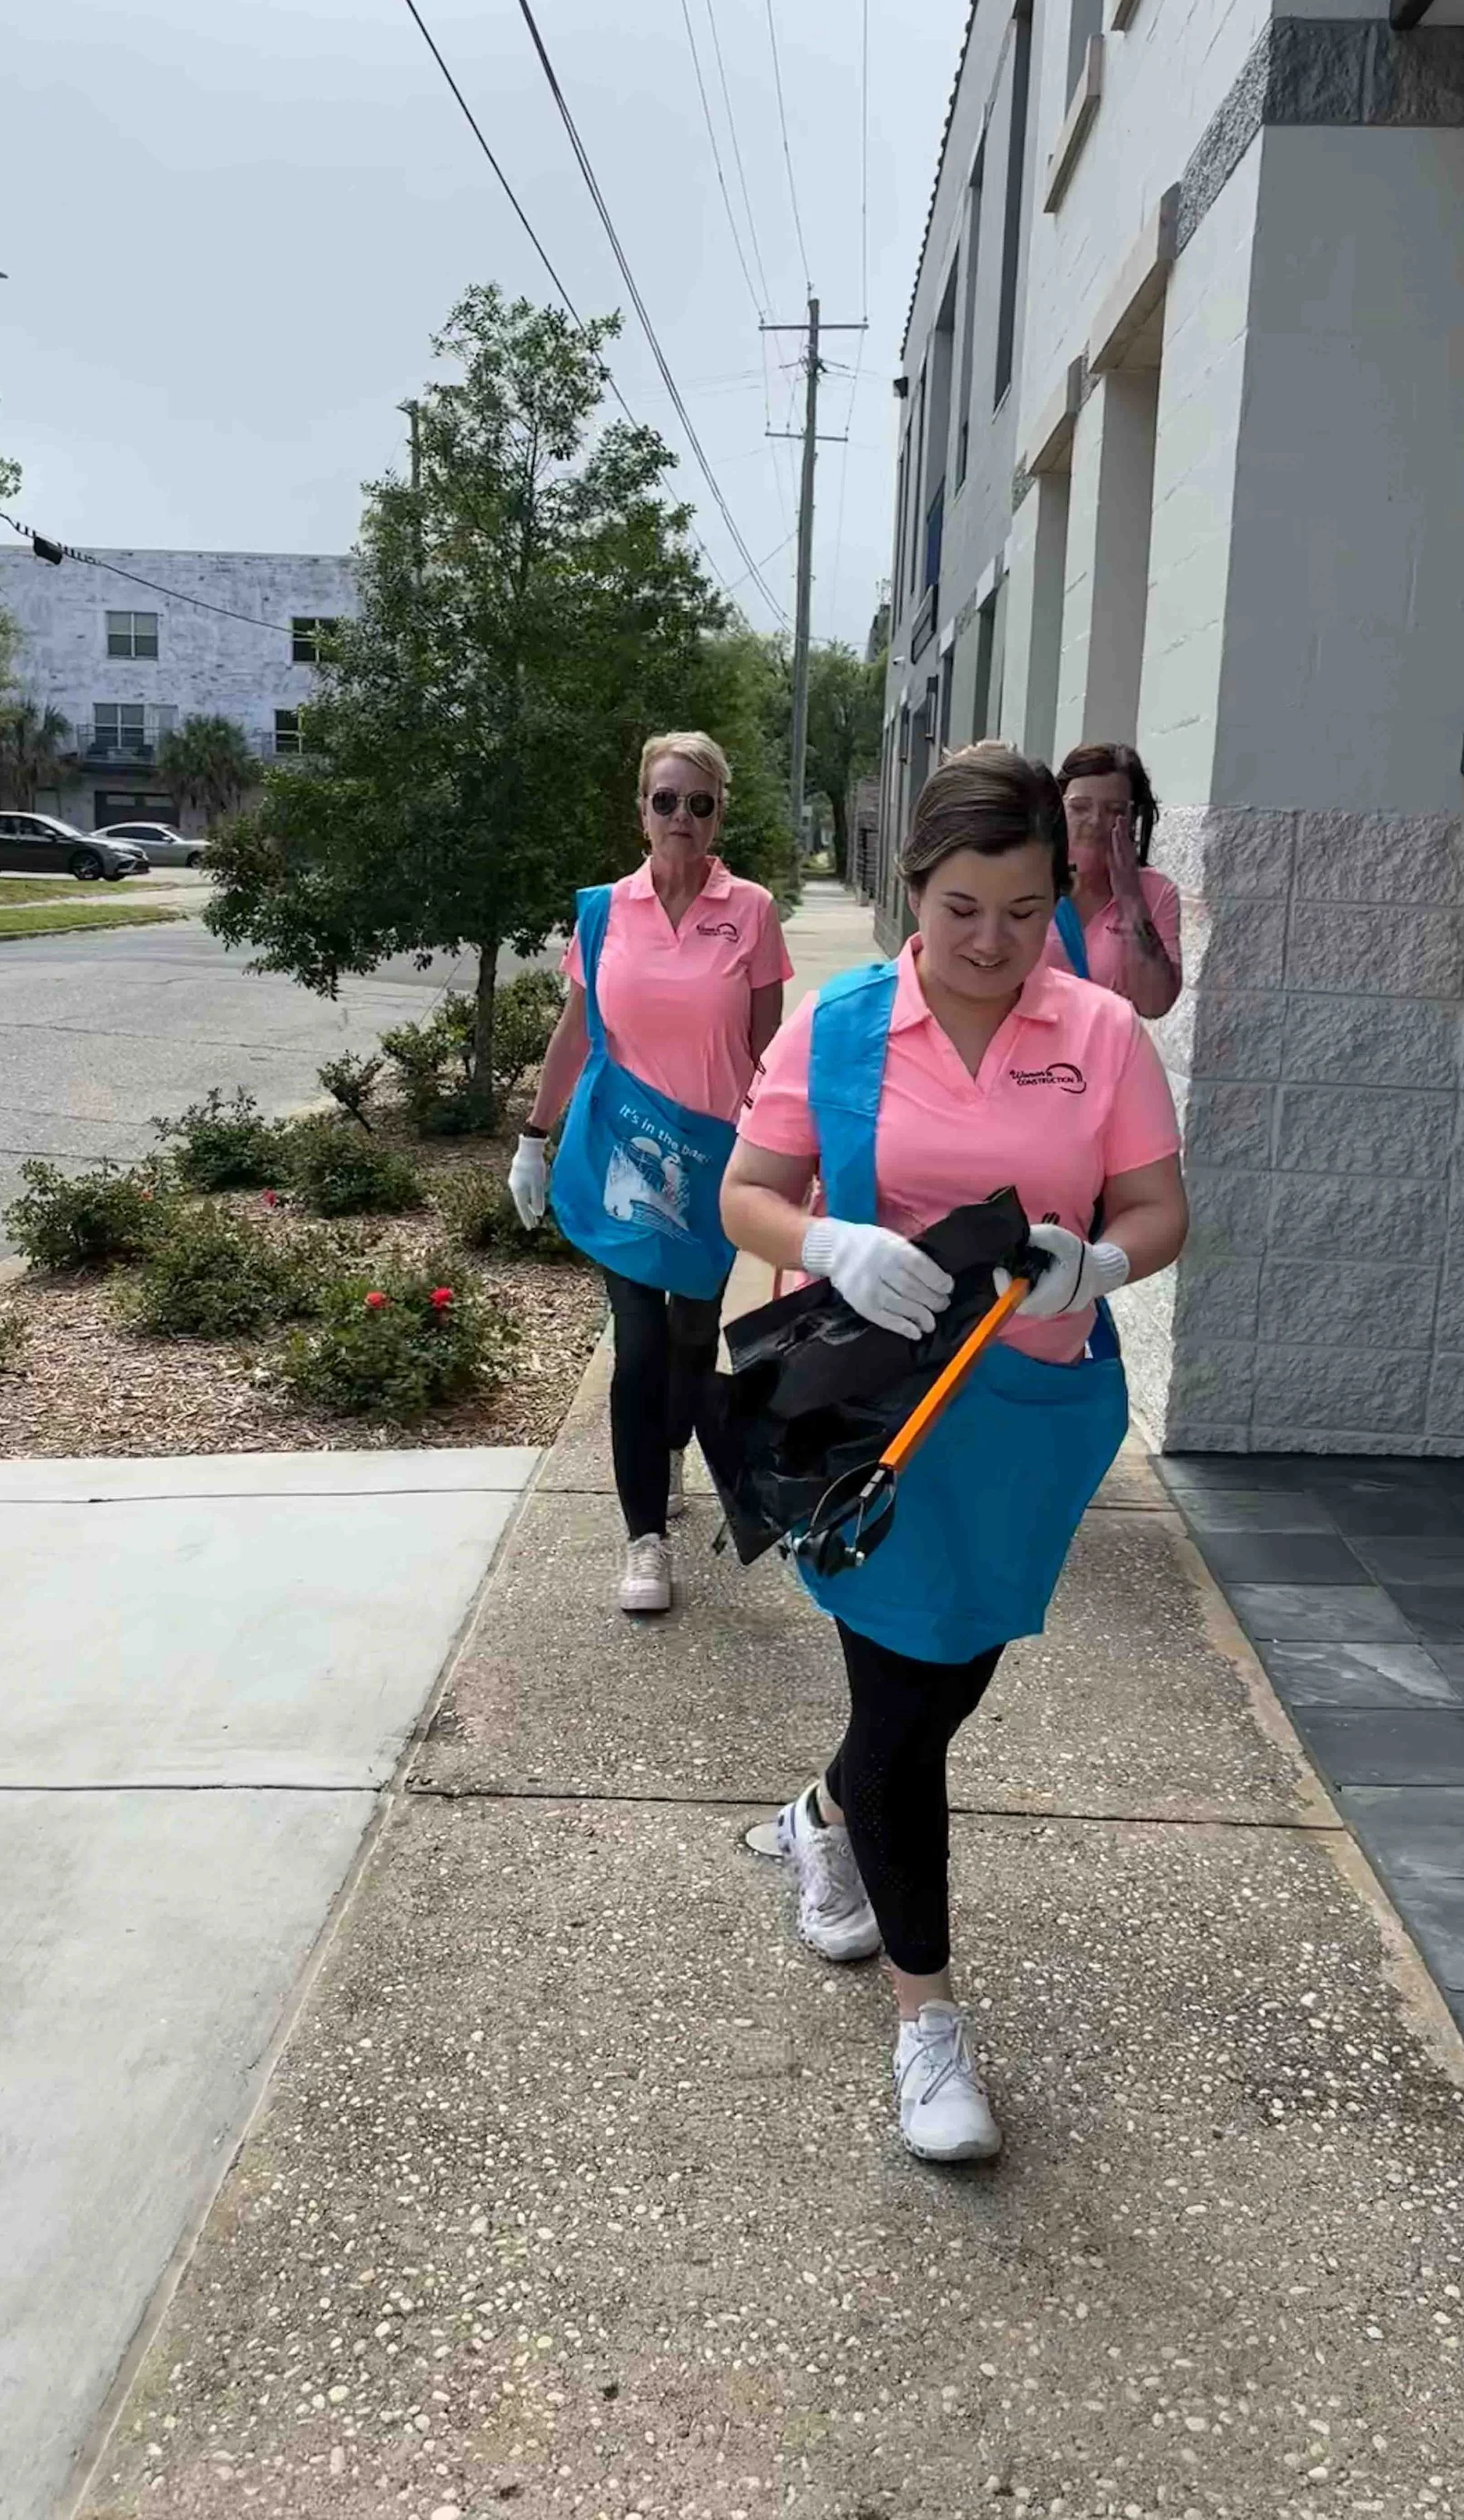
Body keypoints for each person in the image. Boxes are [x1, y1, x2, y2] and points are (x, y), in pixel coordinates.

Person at [721, 744, 1188, 2163]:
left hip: (1034, 1423)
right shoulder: (841, 1027)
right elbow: (750, 1193)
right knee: (909, 1707)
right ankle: (928, 2025)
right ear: (911, 890)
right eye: (963, 906)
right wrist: (832, 1240)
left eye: (1026, 906)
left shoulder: (1101, 1030)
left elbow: (1165, 1209)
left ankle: (819, 1812)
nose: (993, 940)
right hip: (883, 1431)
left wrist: (1093, 1265)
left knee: (946, 1682)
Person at [509, 731, 791, 1616]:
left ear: (718, 815)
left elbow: (766, 1058)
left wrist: (787, 1165)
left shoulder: (749, 912)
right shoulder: (602, 912)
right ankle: (644, 1538)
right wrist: (532, 1133)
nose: (681, 819)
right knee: (636, 1344)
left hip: (710, 1167)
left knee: (689, 1336)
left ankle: (670, 1452)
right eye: (666, 801)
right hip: (620, 1155)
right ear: (641, 807)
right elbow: (576, 1033)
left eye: (699, 804)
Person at [1040, 740, 1182, 1016]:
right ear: (1058, 809)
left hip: (1107, 1054)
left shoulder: (1156, 892)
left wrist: (1131, 900)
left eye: (1115, 810)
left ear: (1134, 818)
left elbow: (1155, 1005)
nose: (1095, 821)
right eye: (1080, 807)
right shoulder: (1030, 878)